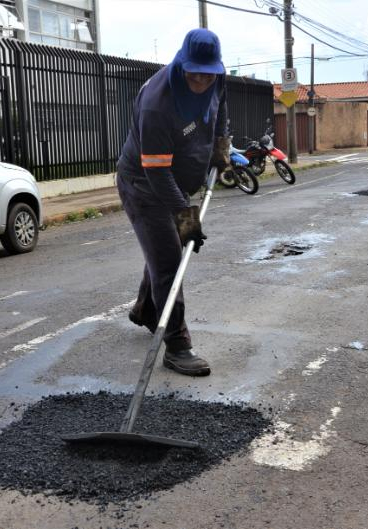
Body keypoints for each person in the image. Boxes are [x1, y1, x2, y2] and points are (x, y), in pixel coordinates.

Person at [116, 28, 230, 377]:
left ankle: (145, 310)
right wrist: (186, 218)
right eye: (194, 71)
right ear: (181, 63)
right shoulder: (157, 102)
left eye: (207, 74)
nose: (200, 80)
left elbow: (220, 107)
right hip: (144, 185)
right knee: (169, 261)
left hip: (176, 182)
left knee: (162, 251)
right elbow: (157, 174)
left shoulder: (216, 80)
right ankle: (178, 346)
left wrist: (220, 145)